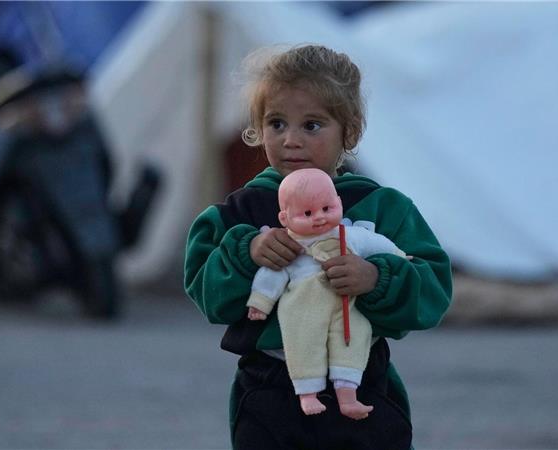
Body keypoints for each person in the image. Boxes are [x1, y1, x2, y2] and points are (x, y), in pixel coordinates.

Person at [184, 44, 452, 450]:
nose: (291, 140)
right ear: (258, 128)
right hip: (269, 389)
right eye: (276, 123)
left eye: (311, 125)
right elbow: (206, 292)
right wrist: (245, 254)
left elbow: (433, 289)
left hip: (364, 384)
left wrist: (377, 278)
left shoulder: (382, 207)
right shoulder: (238, 213)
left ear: (351, 130)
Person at [247, 167, 408, 420]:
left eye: (327, 208)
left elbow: (379, 244)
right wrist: (261, 302)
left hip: (347, 304)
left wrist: (400, 256)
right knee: (302, 345)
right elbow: (271, 275)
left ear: (339, 203)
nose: (319, 218)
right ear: (285, 218)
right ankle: (308, 393)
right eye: (307, 213)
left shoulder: (351, 236)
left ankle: (348, 395)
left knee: (354, 338)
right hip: (303, 308)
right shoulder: (291, 246)